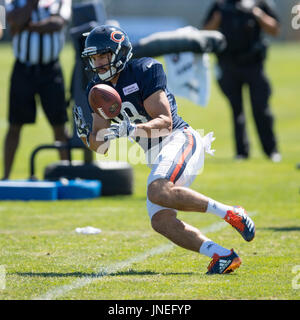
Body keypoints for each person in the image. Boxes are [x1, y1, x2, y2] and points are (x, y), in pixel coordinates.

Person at [73, 25, 256, 274]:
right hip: (155, 154)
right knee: (161, 221)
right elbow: (102, 145)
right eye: (93, 58)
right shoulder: (97, 88)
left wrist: (129, 130)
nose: (98, 63)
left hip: (179, 140)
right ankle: (222, 255)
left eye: (102, 56)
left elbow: (164, 122)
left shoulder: (144, 70)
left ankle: (231, 213)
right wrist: (86, 138)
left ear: (119, 52)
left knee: (158, 190)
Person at [203, 0, 281, 162]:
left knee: (261, 108)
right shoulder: (220, 5)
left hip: (254, 65)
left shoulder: (259, 3)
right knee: (236, 111)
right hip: (229, 65)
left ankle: (271, 151)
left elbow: (275, 29)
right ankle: (241, 152)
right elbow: (205, 32)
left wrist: (258, 14)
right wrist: (218, 18)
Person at [2, 0, 71, 180]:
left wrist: (27, 26)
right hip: (23, 70)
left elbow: (57, 23)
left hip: (51, 70)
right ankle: (6, 177)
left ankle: (66, 174)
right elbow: (13, 21)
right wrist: (31, 4)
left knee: (59, 124)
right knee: (15, 124)